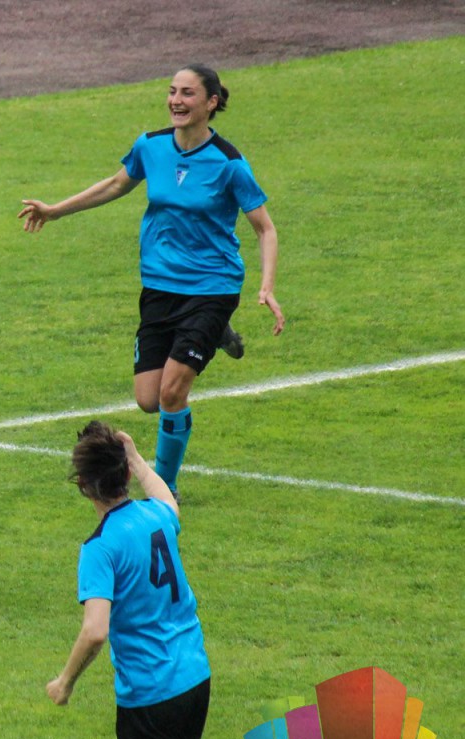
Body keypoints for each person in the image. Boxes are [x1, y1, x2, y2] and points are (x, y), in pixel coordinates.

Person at [19, 63, 284, 500]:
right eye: (172, 91)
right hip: (160, 285)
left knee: (173, 392)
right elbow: (115, 185)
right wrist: (54, 211)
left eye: (187, 94)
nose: (176, 101)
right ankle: (217, 334)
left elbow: (265, 228)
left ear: (211, 102)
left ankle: (166, 487)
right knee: (148, 399)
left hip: (211, 286)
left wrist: (266, 286)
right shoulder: (152, 146)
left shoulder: (229, 164)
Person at [46, 421, 210, 739]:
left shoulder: (100, 548)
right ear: (126, 475)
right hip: (194, 678)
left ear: (83, 485)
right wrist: (136, 458)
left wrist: (65, 682)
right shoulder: (157, 517)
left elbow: (95, 631)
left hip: (152, 694)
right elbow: (168, 500)